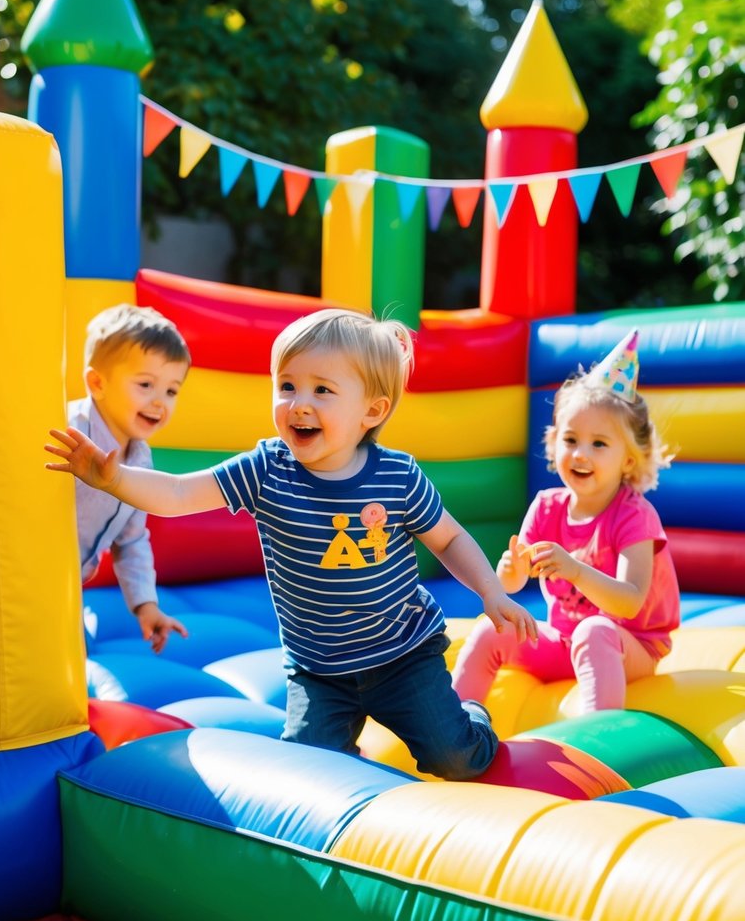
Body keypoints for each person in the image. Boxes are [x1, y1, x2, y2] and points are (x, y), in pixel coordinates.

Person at [47, 307, 537, 779]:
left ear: (372, 409)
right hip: (318, 671)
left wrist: (491, 592)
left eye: (322, 390)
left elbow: (448, 537)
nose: (299, 403)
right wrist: (112, 480)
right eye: (287, 386)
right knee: (309, 772)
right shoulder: (267, 468)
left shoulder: (396, 476)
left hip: (401, 656)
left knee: (455, 759)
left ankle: (471, 714)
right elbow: (178, 493)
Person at [452, 328, 680, 714]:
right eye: (571, 439)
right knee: (493, 626)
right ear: (553, 441)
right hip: (564, 639)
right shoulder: (546, 506)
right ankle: (452, 724)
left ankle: (598, 742)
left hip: (631, 646)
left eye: (599, 444)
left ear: (628, 459)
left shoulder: (634, 516)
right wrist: (508, 571)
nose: (580, 454)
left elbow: (628, 602)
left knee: (595, 631)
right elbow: (511, 586)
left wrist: (575, 570)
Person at [72, 303, 191, 654]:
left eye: (171, 391)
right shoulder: (73, 433)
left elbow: (131, 540)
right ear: (97, 383)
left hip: (67, 587)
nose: (160, 402)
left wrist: (146, 605)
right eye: (145, 385)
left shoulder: (140, 459)